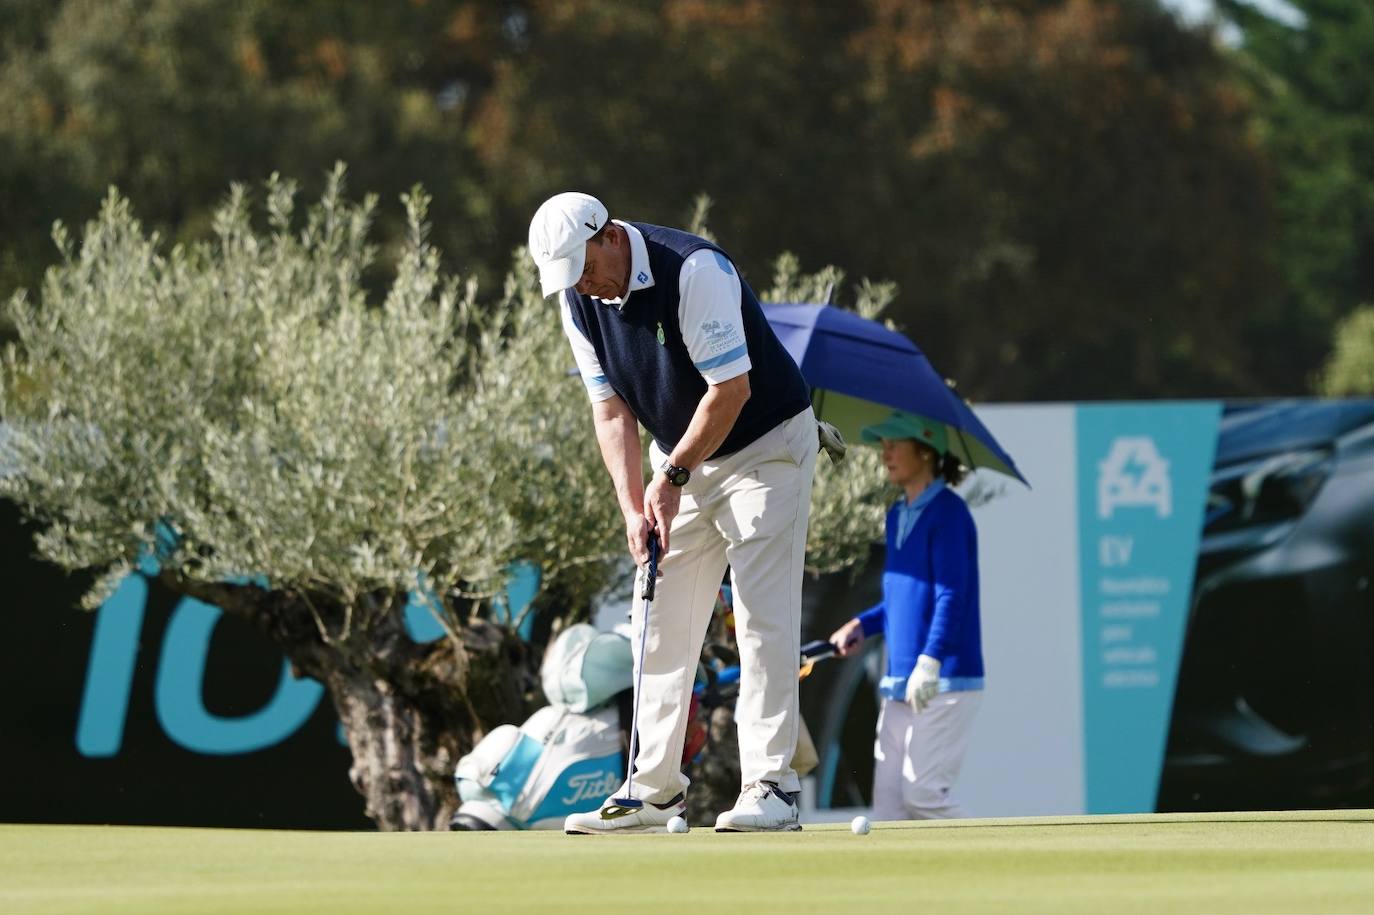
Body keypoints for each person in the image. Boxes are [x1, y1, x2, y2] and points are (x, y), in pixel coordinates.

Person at [528, 191, 820, 833]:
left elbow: (731, 391)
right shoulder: (579, 301)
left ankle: (771, 786)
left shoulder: (694, 270)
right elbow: (610, 412)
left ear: (607, 236)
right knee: (657, 618)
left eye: (585, 267)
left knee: (759, 616)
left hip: (766, 448)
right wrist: (636, 508)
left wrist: (674, 476)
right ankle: (653, 789)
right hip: (682, 459)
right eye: (569, 276)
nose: (583, 285)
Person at [828, 410, 984, 820]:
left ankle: (987, 869)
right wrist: (864, 624)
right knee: (890, 807)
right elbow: (904, 598)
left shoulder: (949, 513)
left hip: (944, 677)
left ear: (927, 451)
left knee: (924, 797)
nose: (886, 454)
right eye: (884, 445)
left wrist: (930, 661)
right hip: (901, 682)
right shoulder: (898, 513)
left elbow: (952, 594)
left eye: (895, 445)